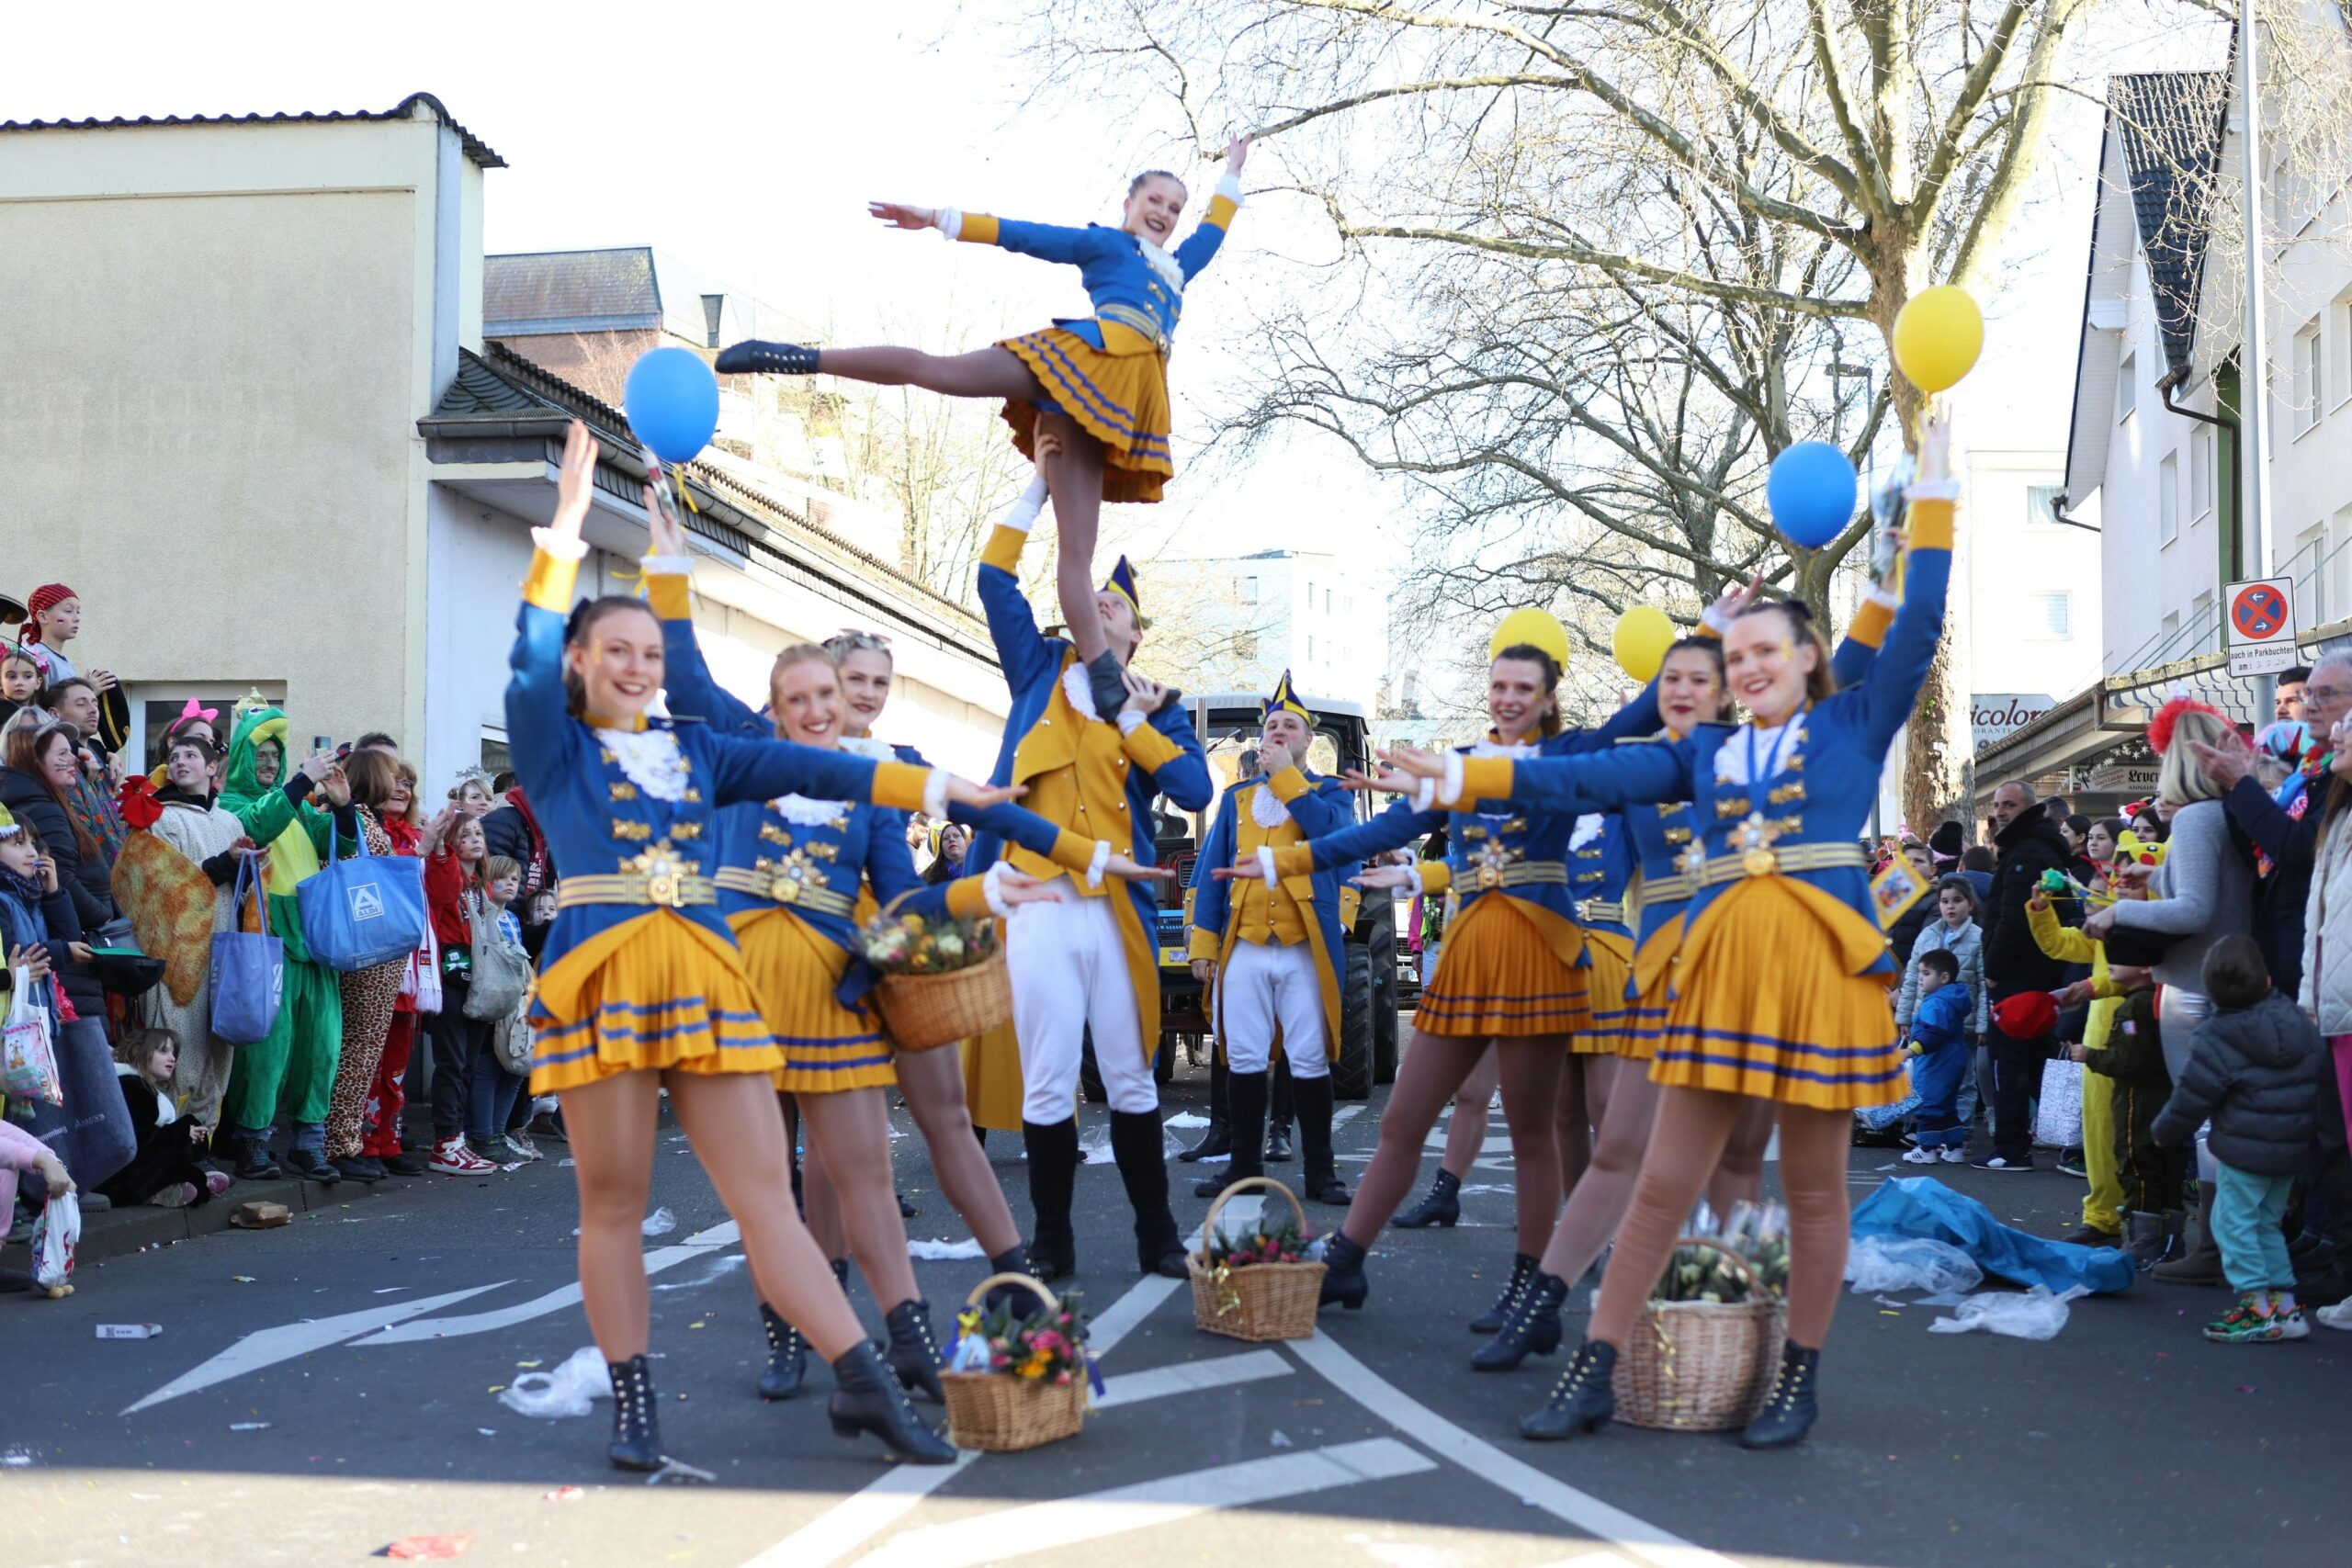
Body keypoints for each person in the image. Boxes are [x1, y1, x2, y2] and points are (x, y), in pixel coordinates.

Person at [1371, 407, 1958, 1450]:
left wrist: (1929, 504)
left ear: (1809, 658)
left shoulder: (1853, 725)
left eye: (1764, 650)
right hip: (1723, 976)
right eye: (1734, 653)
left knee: (1813, 1193)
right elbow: (1590, 769)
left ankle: (1795, 1379)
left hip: (1819, 975)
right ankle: (1594, 1365)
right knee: (1659, 1184)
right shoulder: (1701, 755)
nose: (1745, 667)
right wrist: (1463, 773)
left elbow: (1910, 623)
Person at [509, 420, 1008, 1471]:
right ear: (580, 663)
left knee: (763, 1196)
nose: (642, 667)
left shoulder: (700, 751)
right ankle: (635, 1404)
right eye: (620, 651)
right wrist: (560, 534)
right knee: (613, 1202)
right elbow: (528, 657)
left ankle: (863, 1384)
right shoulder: (552, 746)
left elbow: (830, 773)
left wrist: (939, 787)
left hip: (703, 974)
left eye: (651, 652)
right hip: (603, 975)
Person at [650, 565, 1135, 1404]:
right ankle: (807, 1330)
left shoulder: (891, 770)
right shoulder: (752, 740)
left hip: (872, 954)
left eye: (877, 682)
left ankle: (1018, 1290)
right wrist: (666, 569)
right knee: (794, 1166)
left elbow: (986, 810)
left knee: (913, 1135)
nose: (860, 696)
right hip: (762, 970)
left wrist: (1077, 856)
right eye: (847, 681)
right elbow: (686, 683)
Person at [1225, 600, 1672, 1329]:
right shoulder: (1458, 763)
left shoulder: (1568, 759)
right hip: (1468, 956)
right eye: (1499, 685)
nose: (1508, 698)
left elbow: (1639, 718)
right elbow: (1388, 830)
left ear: (1548, 698)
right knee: (1403, 1118)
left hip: (1539, 958)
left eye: (1524, 688)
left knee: (1533, 1131)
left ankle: (1535, 1288)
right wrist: (1283, 862)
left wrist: (1708, 636)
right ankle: (1346, 1262)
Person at [716, 139, 1253, 724]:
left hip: (1116, 405)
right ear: (1130, 201)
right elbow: (1024, 234)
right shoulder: (1105, 244)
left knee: (1078, 553)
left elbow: (1215, 230)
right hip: (1075, 360)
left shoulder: (1179, 271)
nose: (1166, 213)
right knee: (940, 372)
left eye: (1176, 208)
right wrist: (940, 220)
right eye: (1156, 199)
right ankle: (801, 359)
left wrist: (1232, 172)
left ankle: (1104, 678)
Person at [963, 442, 1212, 1282]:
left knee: (1131, 1073)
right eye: (1093, 594)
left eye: (1116, 604)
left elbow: (1195, 788)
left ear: (1136, 635)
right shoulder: (1037, 665)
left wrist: (1138, 723)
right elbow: (994, 578)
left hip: (1116, 911)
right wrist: (1040, 480)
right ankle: (1053, 1238)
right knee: (1045, 1078)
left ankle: (1157, 1234)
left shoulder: (1158, 705)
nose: (1100, 604)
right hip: (1037, 898)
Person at [2085, 700, 2257, 1281]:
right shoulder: (2218, 815)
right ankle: (2222, 1245)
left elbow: (2194, 911)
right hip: (2216, 982)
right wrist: (2154, 877)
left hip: (2195, 987)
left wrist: (2116, 918)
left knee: (2210, 1121)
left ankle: (2213, 1250)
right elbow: (2212, 895)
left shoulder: (2195, 820)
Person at [1187, 672, 1353, 1207]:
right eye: (1273, 726)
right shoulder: (1236, 798)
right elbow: (1211, 874)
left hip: (1305, 949)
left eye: (1291, 727)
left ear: (1308, 741)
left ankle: (1321, 1173)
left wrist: (1287, 780)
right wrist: (1204, 948)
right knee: (1243, 1057)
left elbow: (1334, 840)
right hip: (1246, 948)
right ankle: (1243, 1167)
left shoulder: (1331, 794)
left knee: (1308, 1058)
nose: (1279, 732)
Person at [216, 702, 356, 1184]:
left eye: (275, 757)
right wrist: (299, 782)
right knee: (268, 1048)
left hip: (315, 939)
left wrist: (342, 804)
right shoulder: (231, 805)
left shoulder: (296, 808)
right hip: (268, 936)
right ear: (239, 760)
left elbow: (341, 844)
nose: (270, 765)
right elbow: (257, 825)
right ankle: (253, 1142)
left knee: (320, 1046)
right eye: (261, 756)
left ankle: (309, 1143)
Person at [2154, 936, 2321, 1341]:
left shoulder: (2217, 1034)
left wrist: (2165, 1132)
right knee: (2267, 1223)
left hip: (2243, 1149)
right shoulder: (2295, 1018)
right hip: (2290, 1149)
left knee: (2234, 1224)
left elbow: (2193, 1095)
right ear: (2265, 980)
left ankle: (2255, 1308)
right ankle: (2283, 1307)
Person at [141, 733, 254, 1128]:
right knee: (177, 1054)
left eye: (190, 755)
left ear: (212, 769)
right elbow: (171, 886)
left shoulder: (230, 821)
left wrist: (252, 868)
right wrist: (227, 861)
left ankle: (199, 1153)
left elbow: (242, 893)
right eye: (174, 757)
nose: (180, 762)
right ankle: (168, 1155)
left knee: (217, 1057)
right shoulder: (161, 817)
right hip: (178, 958)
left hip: (222, 958)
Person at [1974, 779, 2075, 1171]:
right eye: (1997, 804)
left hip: (2018, 976)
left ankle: (2011, 1147)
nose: (2000, 811)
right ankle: (2025, 1142)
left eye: (2008, 805)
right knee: (2029, 1061)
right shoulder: (2032, 848)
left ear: (2028, 808)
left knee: (2011, 1061)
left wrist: (1994, 971)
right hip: (2037, 972)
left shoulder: (2026, 853)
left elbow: (2012, 919)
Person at [421, 807, 505, 1174]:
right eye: (466, 834)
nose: (474, 839)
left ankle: (459, 1138)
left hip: (480, 982)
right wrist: (440, 848)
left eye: (479, 834)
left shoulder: (483, 885)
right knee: (452, 1063)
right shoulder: (448, 873)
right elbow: (441, 896)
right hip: (451, 978)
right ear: (452, 840)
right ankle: (445, 1142)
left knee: (469, 1063)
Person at [363, 761, 431, 1175]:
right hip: (377, 957)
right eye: (395, 782)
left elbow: (440, 895)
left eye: (408, 784)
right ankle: (366, 1140)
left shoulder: (416, 836)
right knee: (368, 1057)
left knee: (397, 1061)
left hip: (410, 965)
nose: (402, 790)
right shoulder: (371, 830)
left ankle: (389, 1138)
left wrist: (437, 851)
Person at [1, 721, 119, 941]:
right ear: (35, 762)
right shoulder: (45, 811)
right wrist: (103, 915)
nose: (73, 759)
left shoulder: (34, 802)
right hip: (78, 939)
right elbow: (60, 878)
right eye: (62, 754)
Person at [96, 1028, 232, 1209]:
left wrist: (189, 1136)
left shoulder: (142, 1086)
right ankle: (161, 1190)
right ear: (138, 1051)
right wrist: (184, 1132)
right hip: (120, 1176)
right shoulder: (131, 1085)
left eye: (174, 1053)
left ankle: (171, 1188)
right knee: (181, 1168)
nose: (172, 1058)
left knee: (183, 1166)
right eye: (163, 1051)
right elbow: (139, 1140)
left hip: (125, 1171)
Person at [14, 584, 130, 752]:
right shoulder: (33, 656)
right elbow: (34, 710)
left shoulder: (64, 660)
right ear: (42, 616)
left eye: (78, 612)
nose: (76, 618)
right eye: (68, 611)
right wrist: (88, 690)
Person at [1899, 948, 1973, 1165]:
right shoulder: (1953, 999)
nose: (1921, 978)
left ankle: (1926, 1148)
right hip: (1955, 1058)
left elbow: (1934, 1033)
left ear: (1944, 977)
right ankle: (1954, 1147)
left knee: (1928, 1104)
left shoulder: (1935, 1002)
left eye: (1926, 973)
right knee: (1947, 1105)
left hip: (1936, 1062)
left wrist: (1910, 1050)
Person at [481, 774, 557, 962]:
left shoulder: (543, 836)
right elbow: (488, 879)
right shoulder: (502, 822)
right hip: (496, 929)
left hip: (519, 925)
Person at [923, 821, 971, 886]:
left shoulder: (979, 868)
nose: (951, 839)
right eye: (946, 838)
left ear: (966, 841)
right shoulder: (931, 876)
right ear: (941, 847)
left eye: (956, 836)